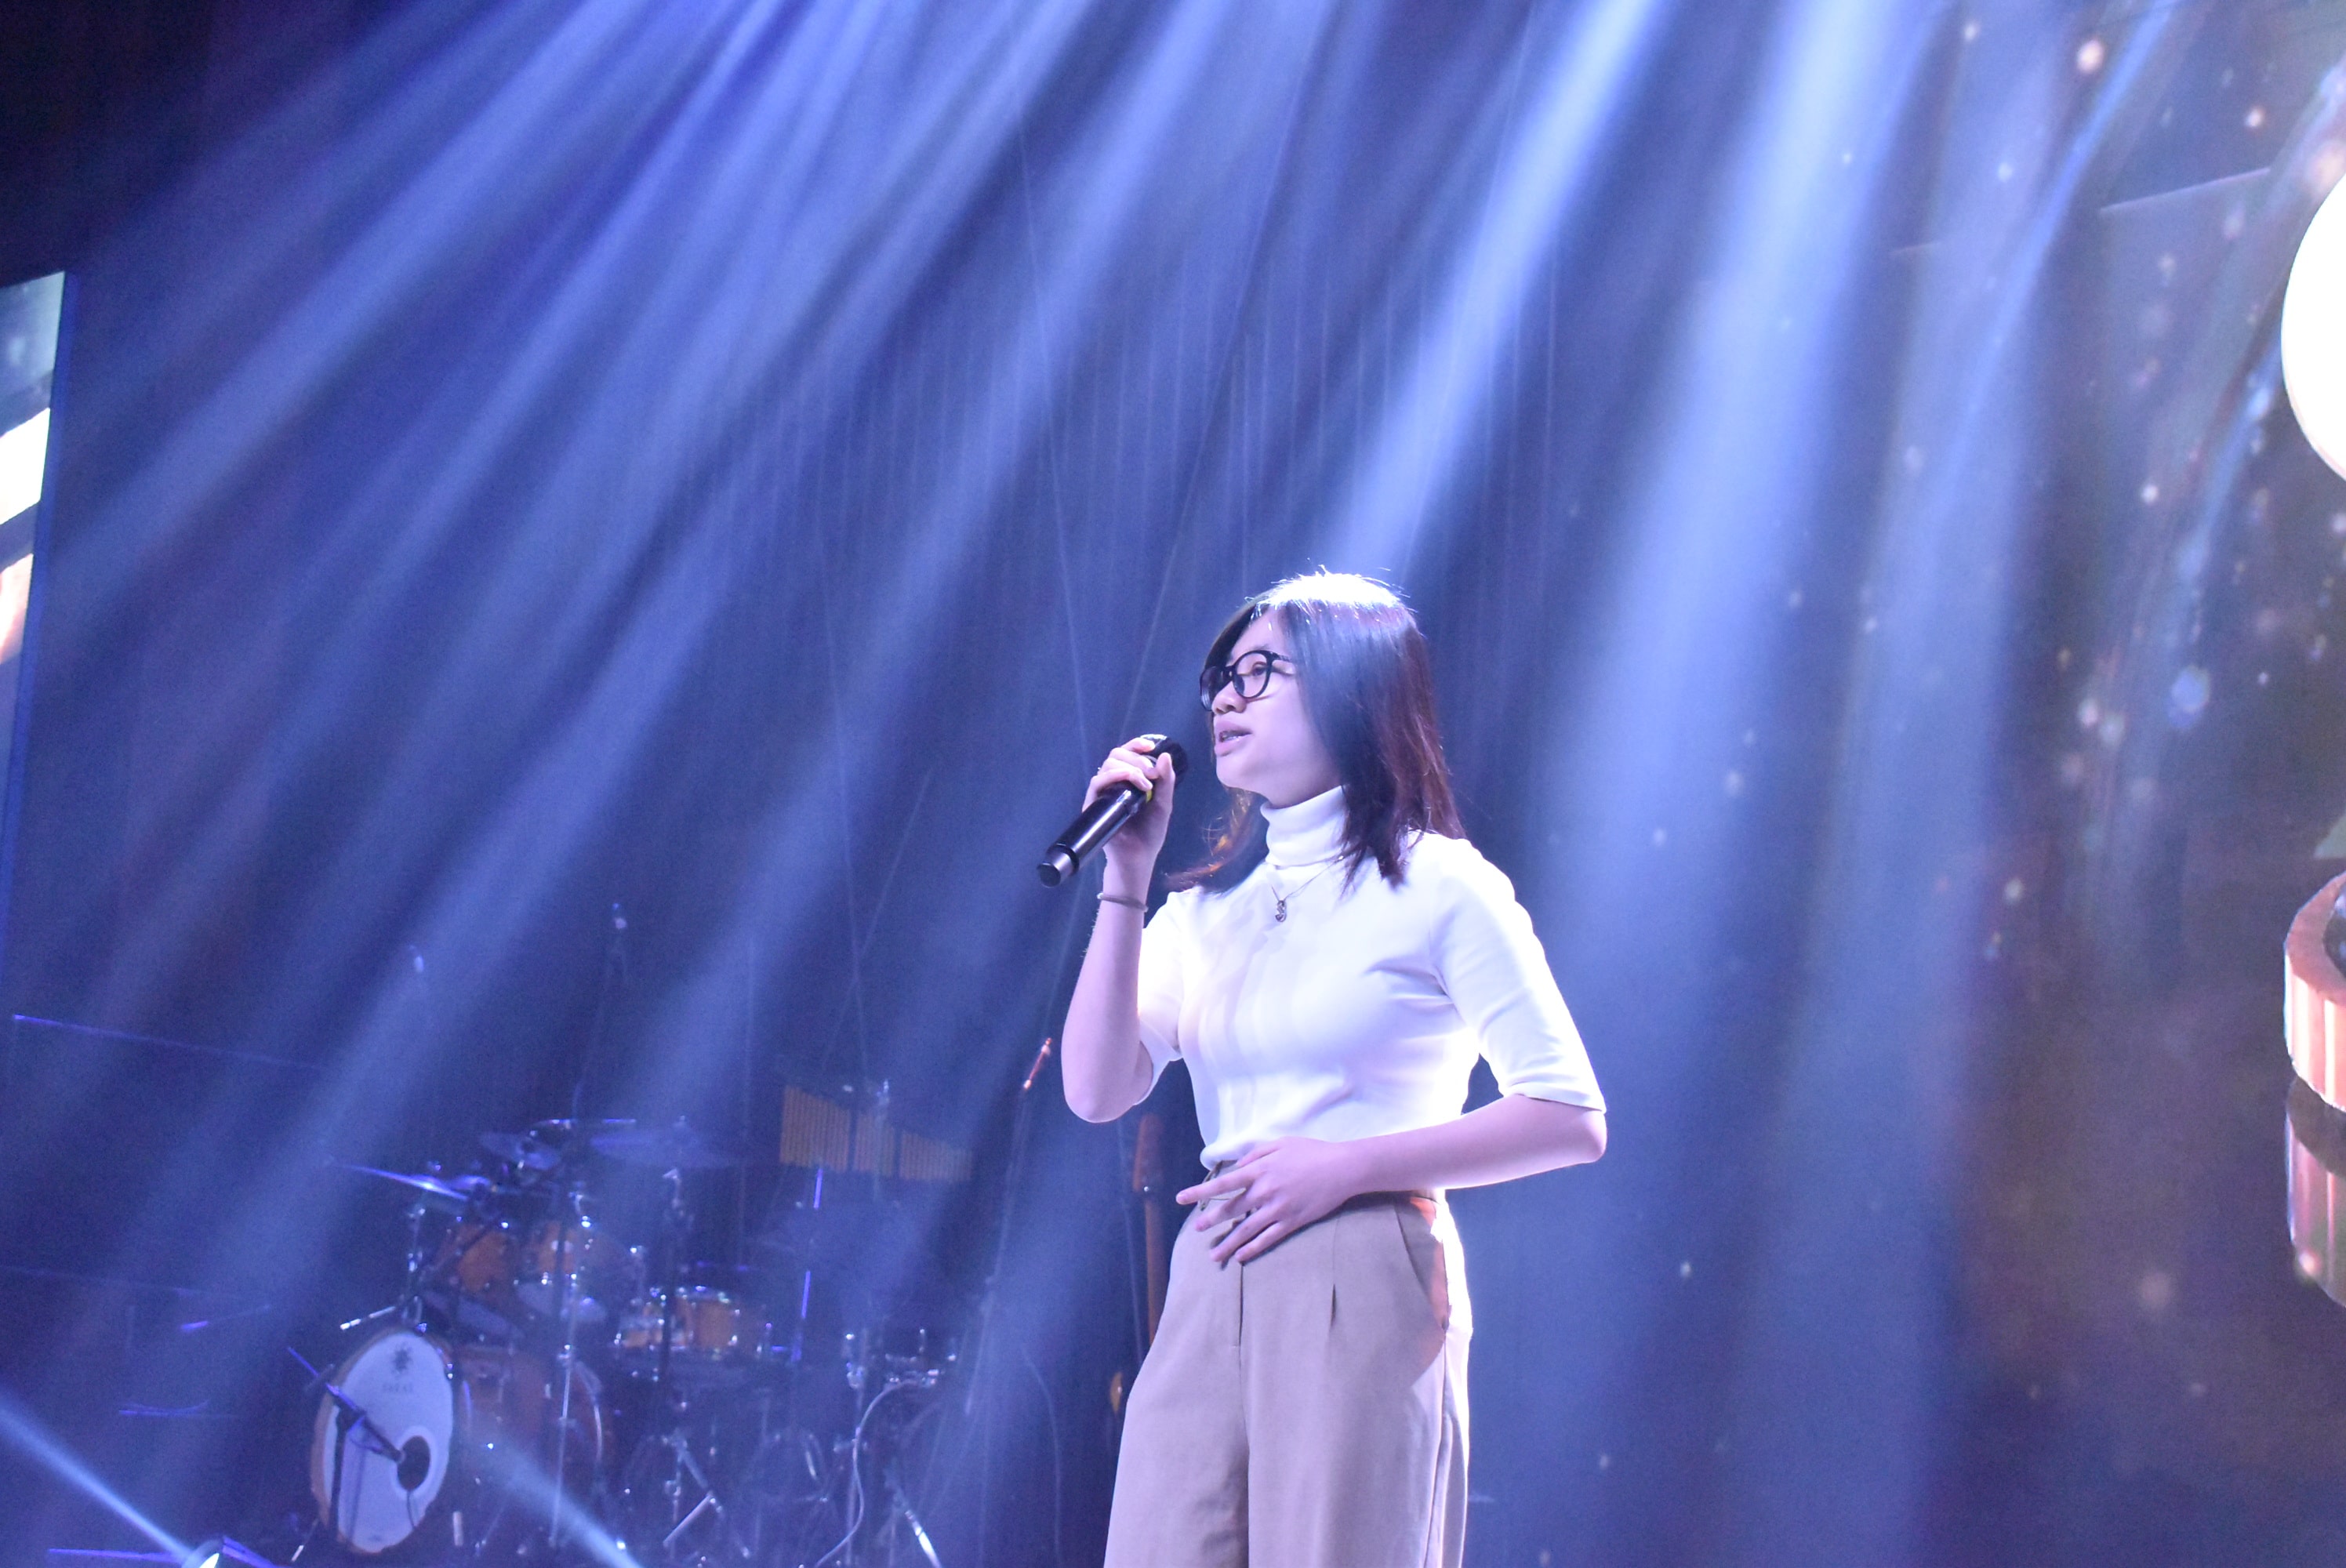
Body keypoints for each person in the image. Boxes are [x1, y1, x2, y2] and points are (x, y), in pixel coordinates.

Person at [1060, 571, 1607, 1568]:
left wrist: (1346, 1166)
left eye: (1258, 672)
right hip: (1213, 1263)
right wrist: (1125, 879)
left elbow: (1568, 1113)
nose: (1224, 700)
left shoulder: (1438, 882)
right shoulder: (1207, 908)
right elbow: (1097, 1089)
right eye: (1220, 679)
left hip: (1363, 1255)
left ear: (1353, 686)